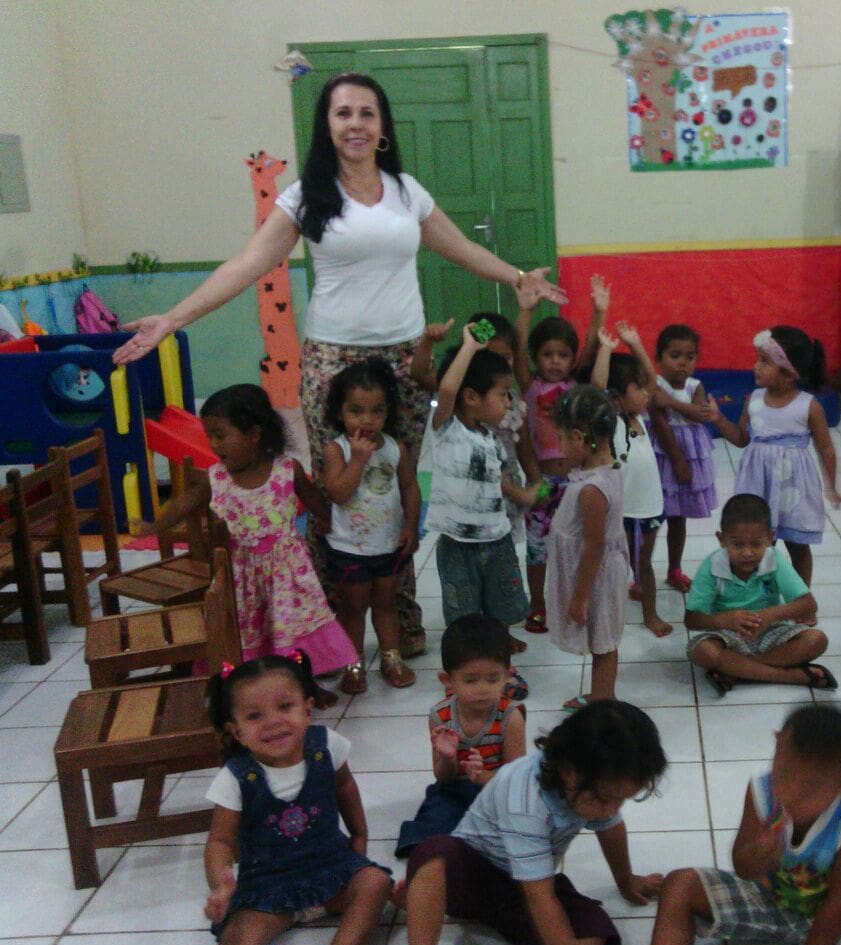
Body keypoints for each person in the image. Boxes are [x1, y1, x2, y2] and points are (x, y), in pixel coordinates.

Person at [112, 71, 567, 663]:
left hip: (403, 359)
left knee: (396, 484)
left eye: (366, 113)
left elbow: (460, 247)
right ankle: (327, 621)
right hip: (333, 360)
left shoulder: (406, 190)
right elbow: (248, 264)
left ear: (382, 127)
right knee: (337, 492)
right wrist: (172, 318)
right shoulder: (307, 196)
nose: (355, 124)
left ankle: (400, 613)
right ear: (326, 126)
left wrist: (518, 276)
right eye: (343, 113)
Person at [394, 700, 668, 945]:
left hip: (523, 887)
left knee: (596, 928)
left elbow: (610, 827)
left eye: (622, 800)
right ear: (568, 771)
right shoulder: (525, 799)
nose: (612, 809)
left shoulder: (593, 785)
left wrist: (626, 880)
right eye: (606, 799)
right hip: (470, 880)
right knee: (435, 853)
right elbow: (540, 899)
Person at [136, 384, 354, 709]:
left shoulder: (286, 470)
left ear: (253, 434)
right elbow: (185, 502)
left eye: (221, 435)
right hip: (243, 580)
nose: (213, 444)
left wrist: (329, 522)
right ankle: (250, 692)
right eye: (210, 436)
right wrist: (154, 527)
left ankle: (306, 686)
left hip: (288, 577)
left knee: (295, 633)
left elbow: (313, 500)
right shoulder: (217, 479)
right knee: (252, 636)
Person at [648, 705, 841, 945]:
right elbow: (742, 867)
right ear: (777, 746)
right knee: (680, 884)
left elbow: (840, 902)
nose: (791, 793)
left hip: (836, 919)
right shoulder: (762, 787)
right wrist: (757, 855)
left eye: (812, 787)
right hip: (770, 897)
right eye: (784, 774)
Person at [203, 654, 391, 945]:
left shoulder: (326, 746)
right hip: (266, 887)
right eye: (254, 716)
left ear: (307, 709)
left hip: (333, 868)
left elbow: (344, 786)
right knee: (236, 937)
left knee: (376, 883)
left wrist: (359, 834)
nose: (273, 722)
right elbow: (219, 841)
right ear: (236, 731)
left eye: (284, 707)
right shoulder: (235, 777)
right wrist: (221, 885)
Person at [416, 328, 536, 647]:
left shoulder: (491, 438)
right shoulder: (448, 430)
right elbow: (447, 389)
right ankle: (470, 655)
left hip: (497, 538)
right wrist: (468, 347)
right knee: (464, 611)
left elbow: (497, 481)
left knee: (501, 601)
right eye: (503, 394)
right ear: (471, 397)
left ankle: (499, 639)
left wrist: (523, 494)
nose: (508, 402)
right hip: (459, 546)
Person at [320, 358, 421, 691]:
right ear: (339, 413)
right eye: (356, 411)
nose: (367, 420)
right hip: (349, 548)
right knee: (353, 607)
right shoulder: (337, 450)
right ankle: (353, 663)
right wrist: (359, 460)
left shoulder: (394, 448)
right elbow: (338, 493)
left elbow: (410, 487)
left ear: (388, 412)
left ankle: (391, 658)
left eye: (377, 411)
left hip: (387, 545)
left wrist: (411, 526)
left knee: (386, 604)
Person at [711, 326, 840, 586]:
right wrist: (718, 419)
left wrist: (831, 485)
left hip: (793, 488)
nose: (755, 366)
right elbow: (741, 438)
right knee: (756, 544)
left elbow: (825, 448)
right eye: (758, 359)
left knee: (797, 545)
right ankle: (757, 593)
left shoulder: (808, 406)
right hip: (757, 484)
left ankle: (801, 595)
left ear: (789, 372)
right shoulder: (754, 399)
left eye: (764, 361)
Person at [514, 275, 604, 634]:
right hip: (542, 482)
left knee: (577, 546)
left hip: (576, 483)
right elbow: (517, 350)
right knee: (537, 549)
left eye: (563, 355)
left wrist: (599, 311)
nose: (555, 362)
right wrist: (526, 311)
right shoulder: (530, 386)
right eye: (547, 355)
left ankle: (574, 599)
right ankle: (538, 604)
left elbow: (592, 347)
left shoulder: (575, 386)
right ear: (536, 357)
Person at [395, 615, 526, 858]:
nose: (482, 689)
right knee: (435, 825)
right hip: (453, 790)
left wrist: (482, 776)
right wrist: (448, 758)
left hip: (496, 791)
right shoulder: (440, 715)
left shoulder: (511, 716)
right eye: (470, 680)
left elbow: (515, 780)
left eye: (493, 679)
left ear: (508, 676)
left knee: (517, 831)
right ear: (448, 681)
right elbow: (443, 777)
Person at [684, 493, 835, 696]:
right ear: (722, 539)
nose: (747, 553)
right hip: (727, 635)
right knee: (704, 651)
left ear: (770, 539)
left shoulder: (774, 559)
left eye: (756, 544)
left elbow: (808, 605)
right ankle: (788, 676)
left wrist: (769, 616)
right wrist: (725, 620)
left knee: (816, 639)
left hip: (771, 631)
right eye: (737, 544)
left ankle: (737, 671)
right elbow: (691, 620)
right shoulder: (712, 565)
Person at [540, 385, 629, 712]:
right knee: (600, 638)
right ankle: (600, 694)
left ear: (579, 437)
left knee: (603, 642)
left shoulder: (592, 489)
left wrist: (579, 597)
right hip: (596, 572)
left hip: (595, 577)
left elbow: (594, 546)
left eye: (562, 439)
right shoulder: (603, 468)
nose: (560, 448)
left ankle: (603, 704)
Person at [592, 322, 682, 638]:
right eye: (638, 389)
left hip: (650, 508)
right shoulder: (611, 421)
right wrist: (605, 349)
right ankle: (604, 612)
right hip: (622, 511)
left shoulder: (638, 417)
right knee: (614, 565)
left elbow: (653, 381)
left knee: (644, 565)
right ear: (617, 398)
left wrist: (635, 343)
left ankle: (650, 613)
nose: (647, 394)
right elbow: (597, 387)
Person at [650, 323, 720, 594]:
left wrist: (671, 403)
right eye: (675, 355)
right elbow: (659, 420)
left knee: (678, 517)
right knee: (652, 517)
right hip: (662, 456)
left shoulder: (695, 386)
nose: (683, 363)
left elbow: (699, 415)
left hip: (689, 458)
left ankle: (674, 569)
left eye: (690, 357)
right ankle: (641, 572)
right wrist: (677, 460)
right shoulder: (655, 384)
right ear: (659, 358)